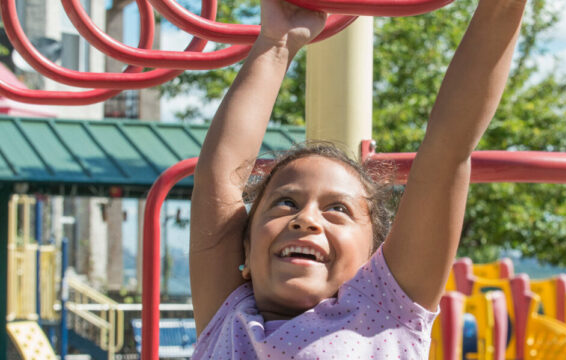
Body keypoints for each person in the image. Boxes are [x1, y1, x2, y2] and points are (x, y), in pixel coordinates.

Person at [189, 0, 527, 357]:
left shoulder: (385, 310)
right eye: (285, 202)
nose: (305, 220)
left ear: (372, 259)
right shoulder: (229, 315)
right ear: (244, 248)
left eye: (337, 209)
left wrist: (501, 8)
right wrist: (276, 43)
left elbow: (447, 151)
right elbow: (219, 181)